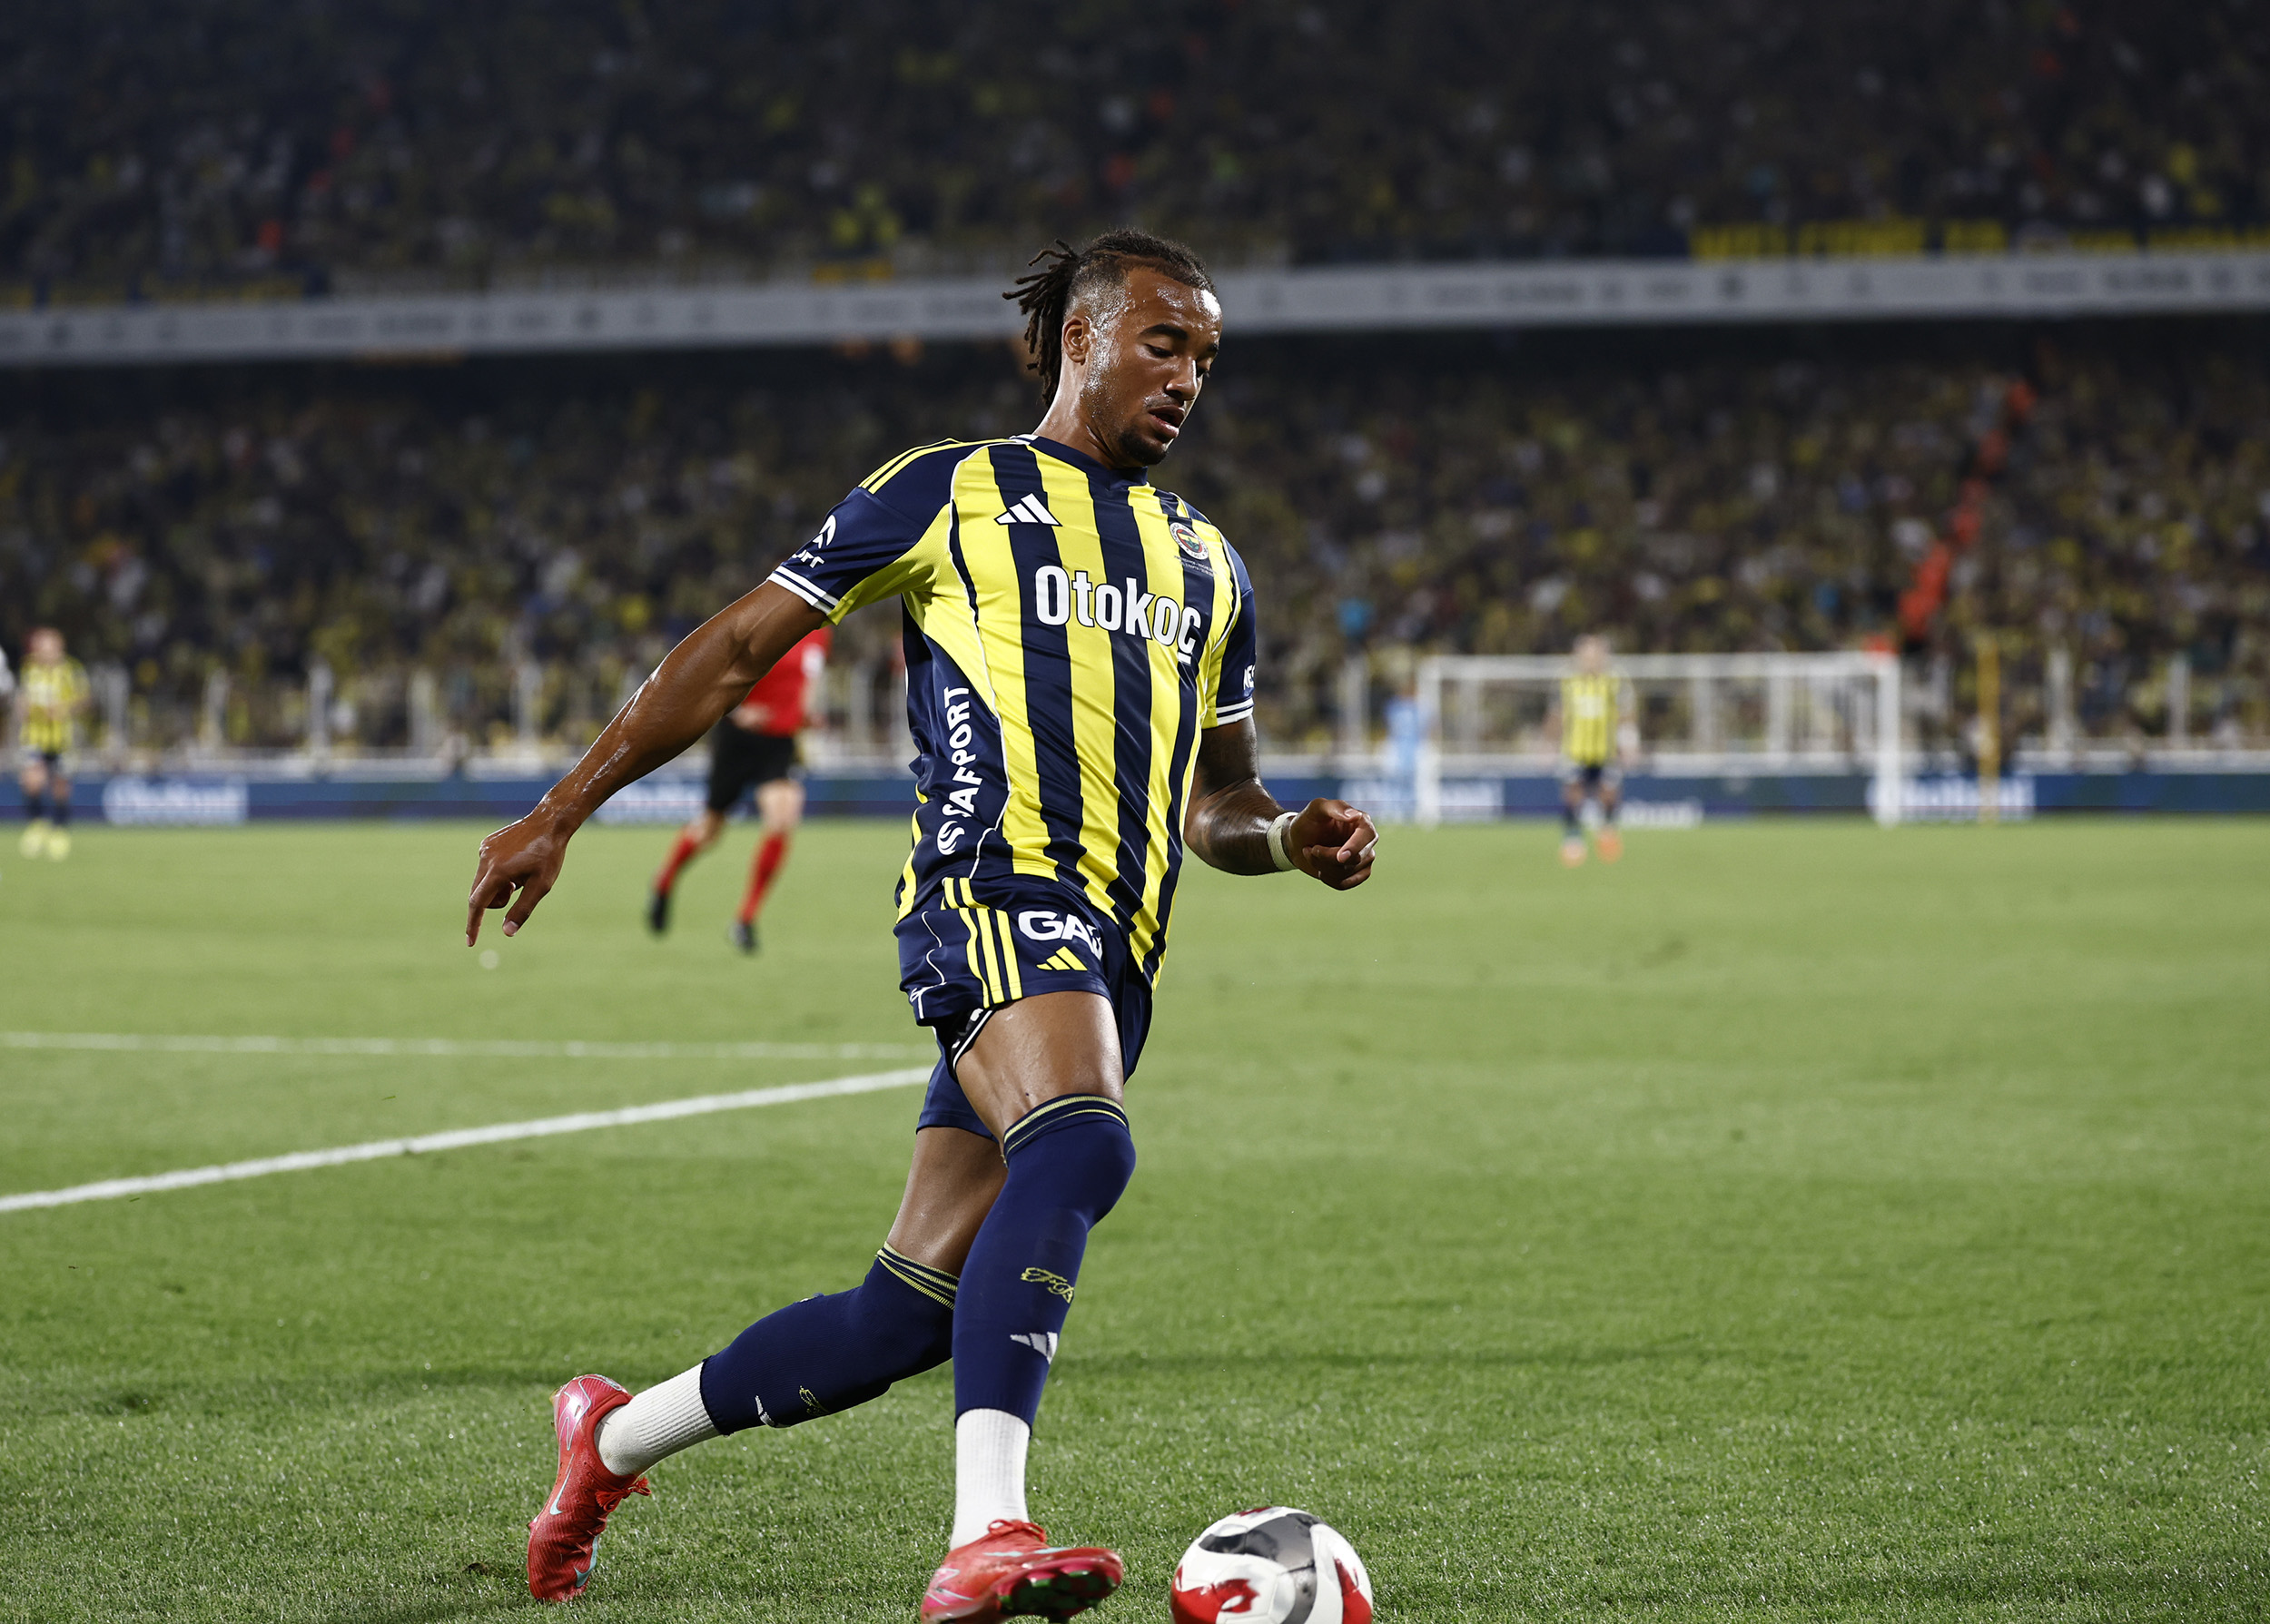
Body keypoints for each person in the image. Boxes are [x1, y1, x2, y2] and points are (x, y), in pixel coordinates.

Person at [466, 228, 1377, 1619]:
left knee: (900, 1315)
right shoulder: (950, 490)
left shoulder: (1212, 565)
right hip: (992, 891)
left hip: (1115, 954)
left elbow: (1220, 801)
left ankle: (609, 1436)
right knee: (1081, 1143)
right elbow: (738, 646)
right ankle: (987, 1531)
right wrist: (562, 807)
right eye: (1163, 343)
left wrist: (1288, 838)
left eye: (1206, 355)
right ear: (1081, 338)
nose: (1189, 377)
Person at [646, 625, 831, 952]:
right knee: (710, 831)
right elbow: (712, 675)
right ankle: (664, 880)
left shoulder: (819, 634)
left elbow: (806, 682)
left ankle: (745, 920)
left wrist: (805, 716)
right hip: (739, 739)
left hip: (779, 742)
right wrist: (736, 710)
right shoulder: (765, 622)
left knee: (782, 817)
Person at [1545, 634, 1633, 866]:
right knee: (1573, 792)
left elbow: (1625, 715)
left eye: (1595, 655)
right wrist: (1549, 744)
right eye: (1587, 655)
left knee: (1609, 792)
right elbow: (1556, 715)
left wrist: (1629, 744)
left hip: (1606, 750)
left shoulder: (1615, 681)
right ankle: (1573, 839)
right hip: (1575, 749)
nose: (1591, 661)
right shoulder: (1567, 682)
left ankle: (1607, 832)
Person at [15, 628, 91, 862]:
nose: (45, 652)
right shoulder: (29, 669)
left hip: (62, 739)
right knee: (32, 781)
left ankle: (59, 831)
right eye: (40, 647)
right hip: (34, 737)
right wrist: (23, 707)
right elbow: (22, 697)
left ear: (59, 648)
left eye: (49, 647)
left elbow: (84, 699)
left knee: (60, 786)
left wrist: (64, 709)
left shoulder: (70, 670)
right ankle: (37, 826)